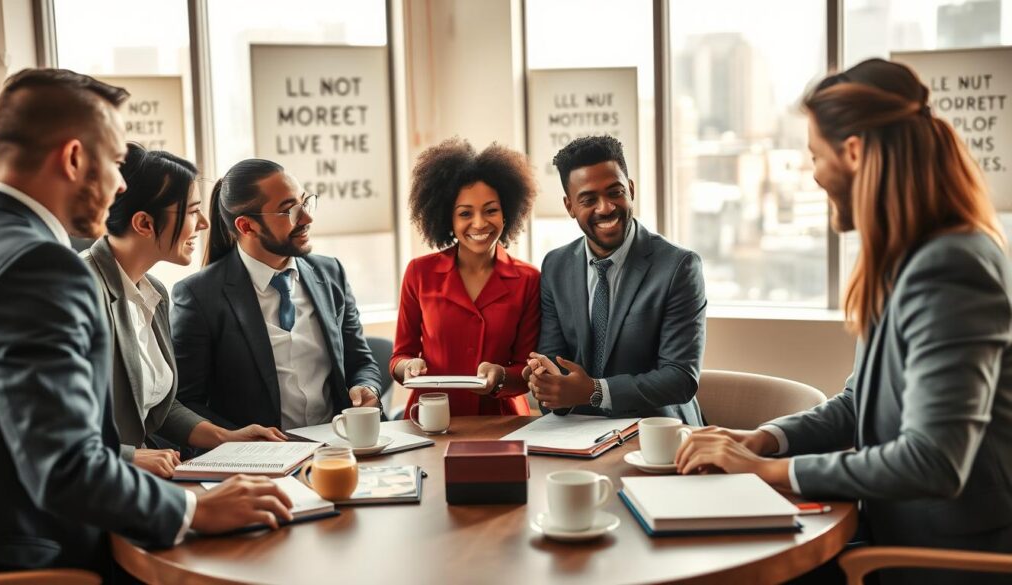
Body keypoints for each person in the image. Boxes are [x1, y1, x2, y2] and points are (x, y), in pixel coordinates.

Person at [675, 59, 1012, 585]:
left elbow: (934, 461)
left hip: (942, 558)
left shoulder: (951, 267)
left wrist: (770, 473)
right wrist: (764, 440)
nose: (812, 173)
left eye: (815, 155)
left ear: (853, 152)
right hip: (889, 531)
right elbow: (860, 404)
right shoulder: (904, 257)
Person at [0, 69, 292, 575]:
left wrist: (218, 437)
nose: (121, 183)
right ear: (73, 159)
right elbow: (64, 465)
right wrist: (195, 509)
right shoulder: (43, 266)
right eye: (112, 162)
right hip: (41, 552)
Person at [81, 143, 287, 478]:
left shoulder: (154, 293)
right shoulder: (82, 291)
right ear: (145, 223)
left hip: (142, 480)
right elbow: (48, 425)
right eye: (192, 211)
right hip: (101, 487)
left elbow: (157, 407)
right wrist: (130, 457)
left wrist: (227, 438)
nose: (205, 223)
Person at [171, 158, 381, 432]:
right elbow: (185, 402)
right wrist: (234, 439)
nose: (307, 218)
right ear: (247, 226)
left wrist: (367, 387)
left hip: (340, 446)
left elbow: (361, 361)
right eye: (289, 211)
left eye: (304, 203)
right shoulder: (199, 296)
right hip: (259, 461)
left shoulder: (331, 273)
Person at [526, 136, 707, 424]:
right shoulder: (555, 266)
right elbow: (554, 363)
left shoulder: (679, 268)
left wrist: (595, 391)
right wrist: (548, 386)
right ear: (570, 206)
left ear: (631, 189)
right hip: (576, 433)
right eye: (588, 199)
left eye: (615, 192)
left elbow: (680, 378)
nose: (606, 207)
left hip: (658, 430)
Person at [391, 138, 540, 416]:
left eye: (491, 210)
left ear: (507, 213)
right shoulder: (419, 273)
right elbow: (400, 355)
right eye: (465, 213)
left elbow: (527, 368)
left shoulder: (529, 279)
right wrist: (408, 367)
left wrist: (501, 376)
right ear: (449, 219)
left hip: (502, 419)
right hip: (431, 418)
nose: (480, 223)